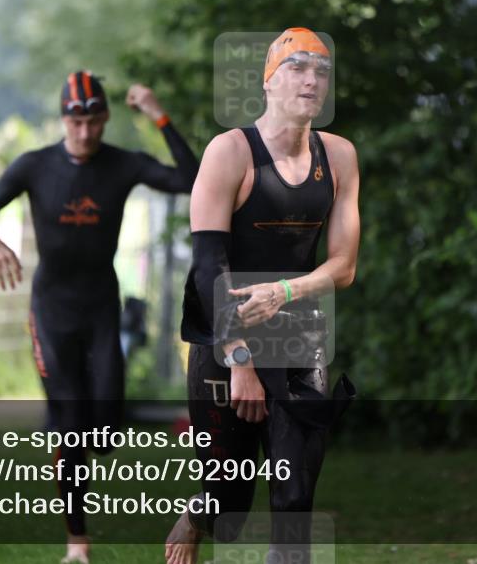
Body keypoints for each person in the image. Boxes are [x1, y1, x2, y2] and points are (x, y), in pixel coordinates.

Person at [0, 72, 199, 564]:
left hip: (100, 308)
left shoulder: (122, 165)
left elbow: (191, 180)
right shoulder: (35, 166)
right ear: (63, 119)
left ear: (106, 118)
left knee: (106, 434)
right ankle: (77, 543)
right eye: (77, 121)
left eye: (94, 121)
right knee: (71, 424)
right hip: (51, 310)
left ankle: (73, 440)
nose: (86, 131)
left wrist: (160, 115)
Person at [166, 28, 360, 564]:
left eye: (321, 71)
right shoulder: (230, 152)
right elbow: (210, 266)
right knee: (229, 499)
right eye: (297, 68)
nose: (312, 80)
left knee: (295, 497)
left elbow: (343, 266)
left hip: (300, 335)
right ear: (268, 81)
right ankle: (201, 511)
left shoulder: (339, 157)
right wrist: (240, 360)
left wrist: (285, 290)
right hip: (224, 335)